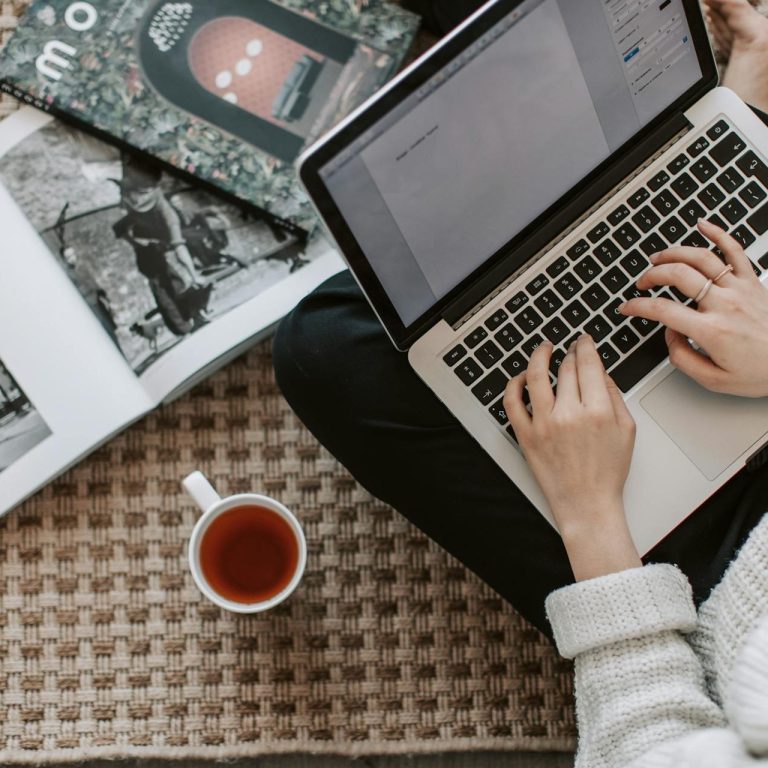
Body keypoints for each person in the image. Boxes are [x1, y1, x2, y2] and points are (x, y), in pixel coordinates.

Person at [273, 0, 768, 763]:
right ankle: (706, 123)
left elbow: (643, 743)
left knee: (331, 347)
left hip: (689, 576)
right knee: (700, 148)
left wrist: (590, 515)